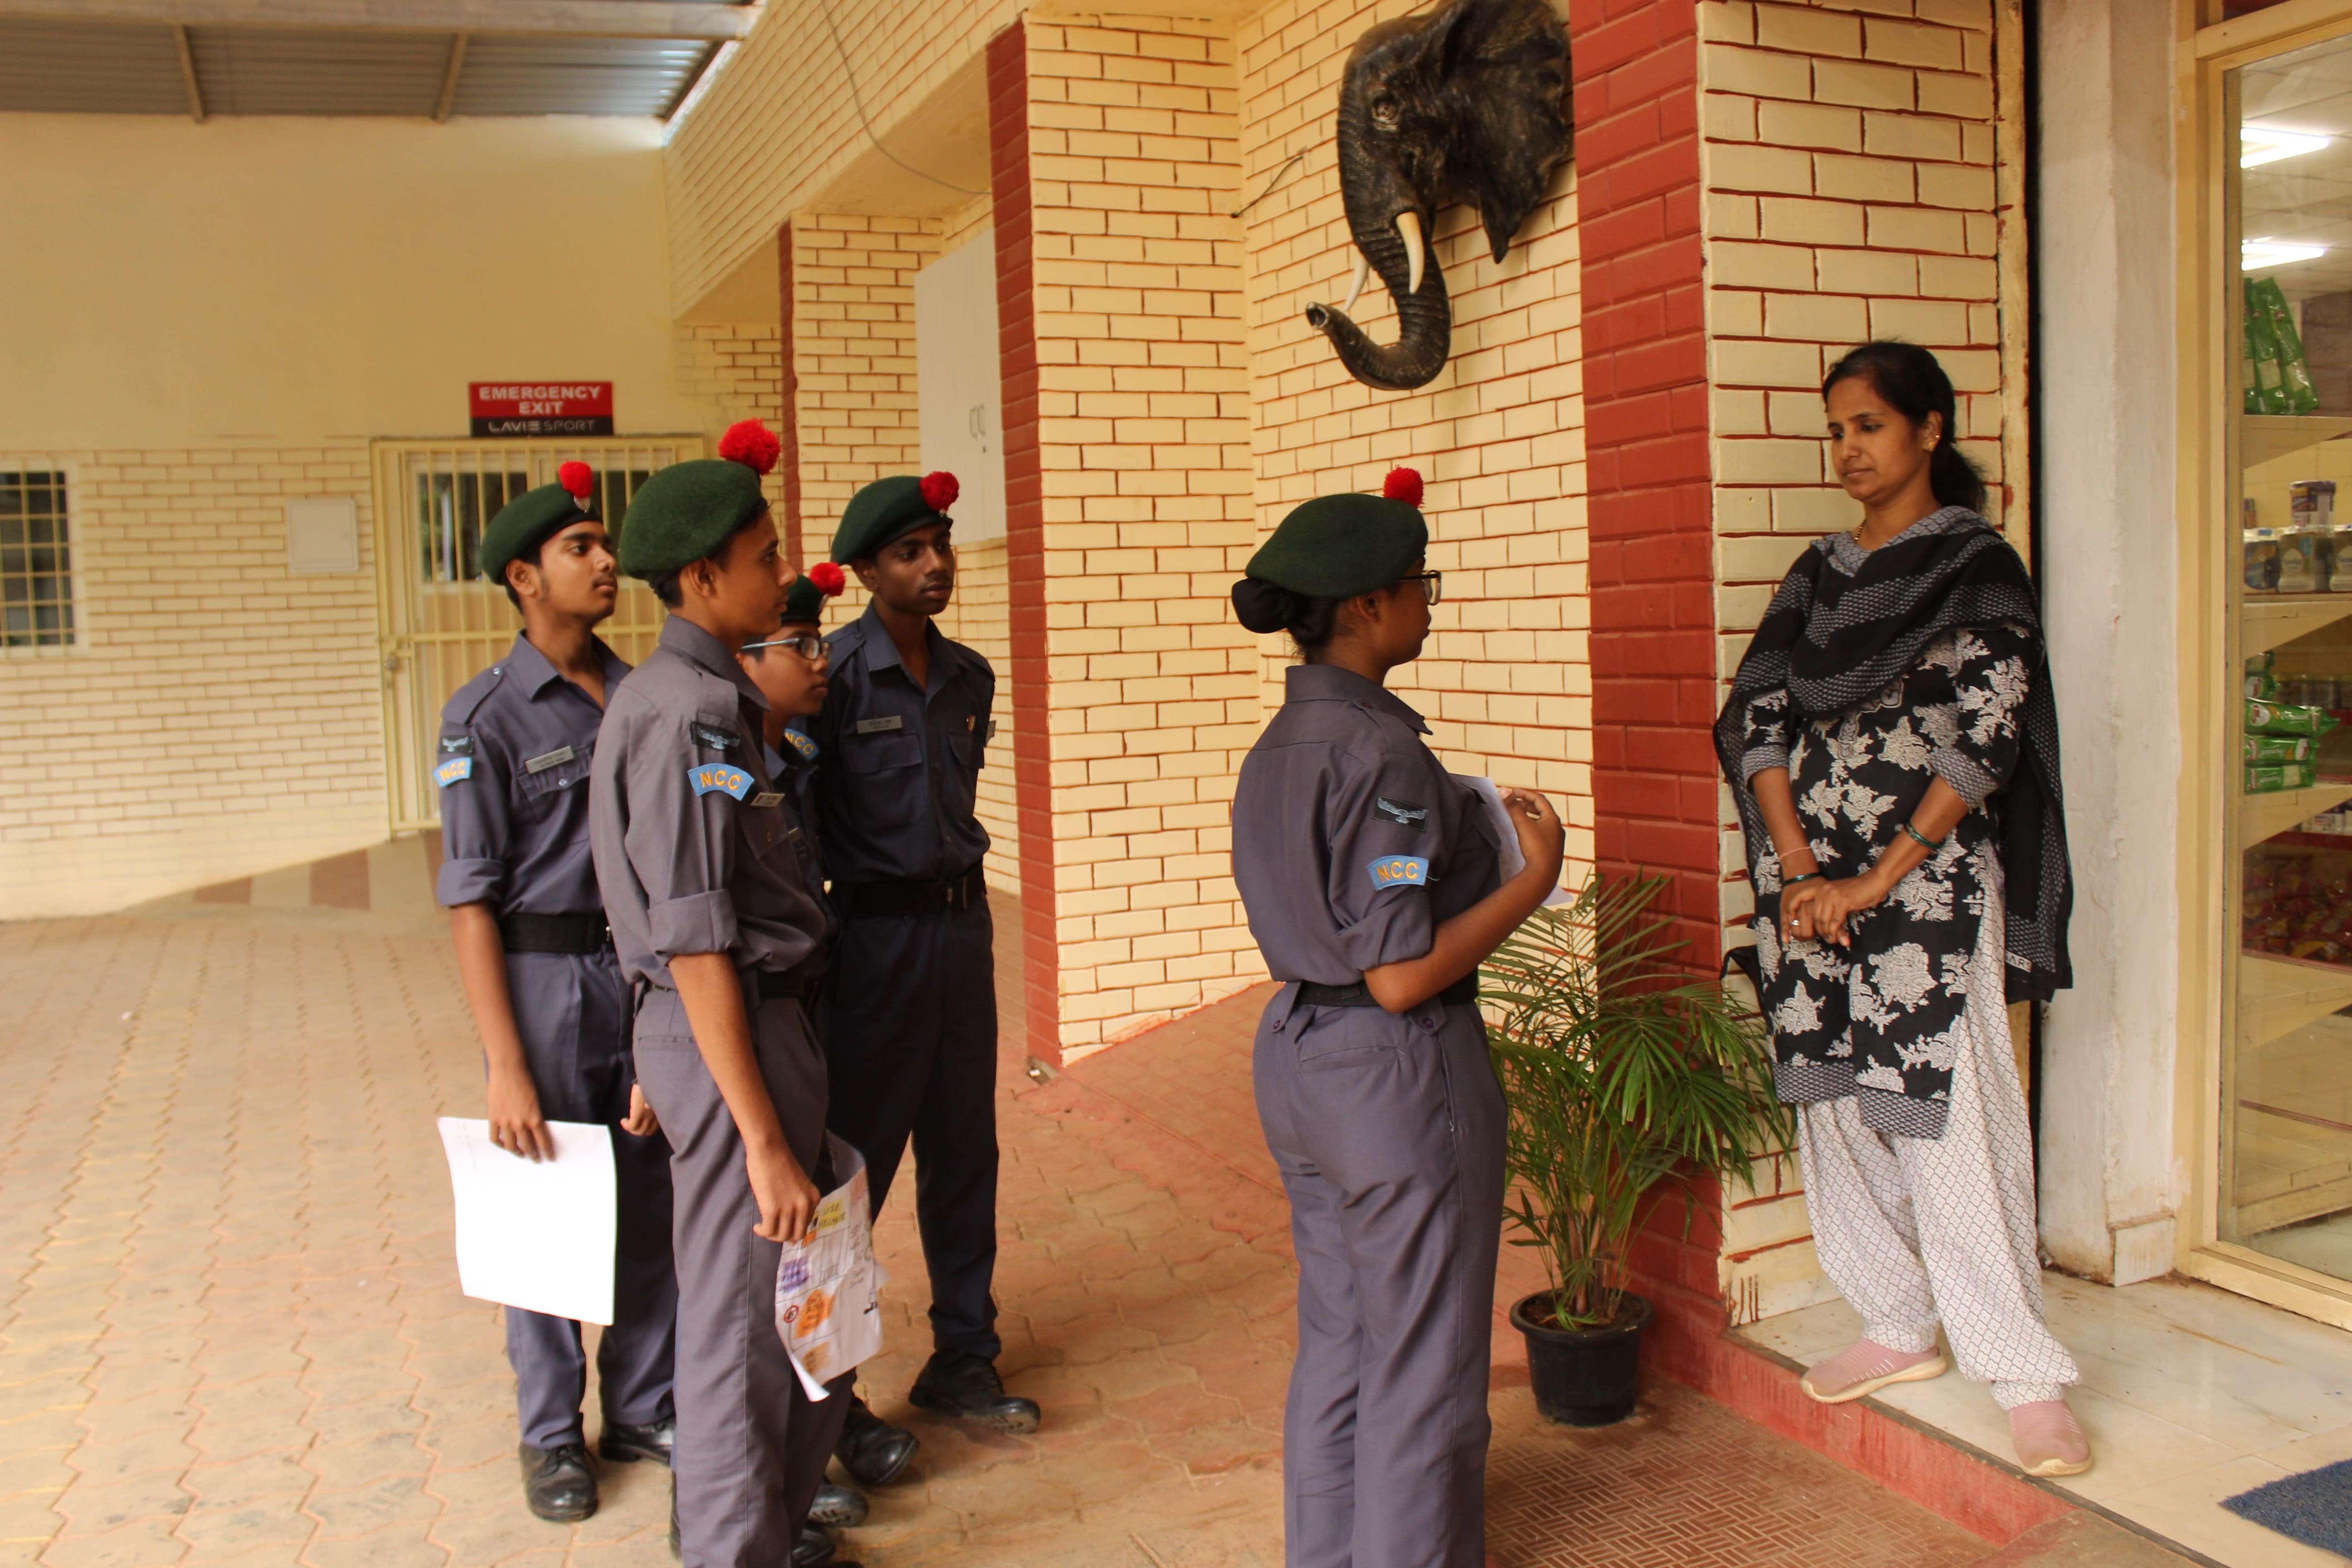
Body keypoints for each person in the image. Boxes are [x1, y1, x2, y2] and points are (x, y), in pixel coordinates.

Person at [1714, 340, 2086, 1478]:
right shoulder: (1816, 575)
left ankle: (2023, 1373)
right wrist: (1795, 867)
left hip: (1925, 888)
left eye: (1868, 425)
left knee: (1948, 1112)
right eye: (1836, 429)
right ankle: (1895, 1322)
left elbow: (1988, 733)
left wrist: (1874, 878)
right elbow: (1755, 719)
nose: (1848, 450)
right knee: (1836, 1103)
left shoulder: (1977, 568)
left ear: (1930, 430)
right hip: (1808, 893)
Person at [1227, 466, 1565, 1568]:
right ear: (1370, 607)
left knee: (1341, 1342)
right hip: (1392, 1072)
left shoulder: (1277, 748)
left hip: (1298, 1057)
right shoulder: (1383, 754)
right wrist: (1532, 876)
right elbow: (1402, 973)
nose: (1430, 602)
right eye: (1423, 584)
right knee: (1424, 1368)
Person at [589, 421, 862, 1568]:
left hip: (715, 1038)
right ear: (704, 580)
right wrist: (755, 1134)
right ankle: (735, 1550)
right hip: (733, 1031)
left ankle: (754, 1534)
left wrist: (666, 1065)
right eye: (762, 557)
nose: (779, 573)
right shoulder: (689, 712)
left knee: (779, 1303)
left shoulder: (668, 699)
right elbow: (697, 937)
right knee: (748, 1333)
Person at [435, 462, 676, 1525]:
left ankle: (641, 1406)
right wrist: (504, 1062)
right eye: (581, 547)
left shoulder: (640, 690)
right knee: (546, 1205)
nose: (606, 560)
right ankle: (550, 1435)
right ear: (526, 578)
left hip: (638, 971)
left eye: (605, 543)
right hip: (542, 978)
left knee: (650, 1198)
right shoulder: (484, 716)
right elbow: (470, 900)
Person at [809, 471, 1036, 1483]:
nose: (935, 564)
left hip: (961, 932)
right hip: (873, 945)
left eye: (940, 543)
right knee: (855, 1171)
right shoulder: (833, 678)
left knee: (963, 1150)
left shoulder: (972, 676)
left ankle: (964, 1358)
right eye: (909, 552)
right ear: (864, 571)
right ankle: (834, 1396)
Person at [734, 564, 873, 1539]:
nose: (820, 660)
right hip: (749, 1029)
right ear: (748, 661)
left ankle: (821, 1437)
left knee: (828, 1240)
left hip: (812, 1011)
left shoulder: (799, 760)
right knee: (758, 1271)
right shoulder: (722, 764)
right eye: (800, 645)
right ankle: (764, 1488)